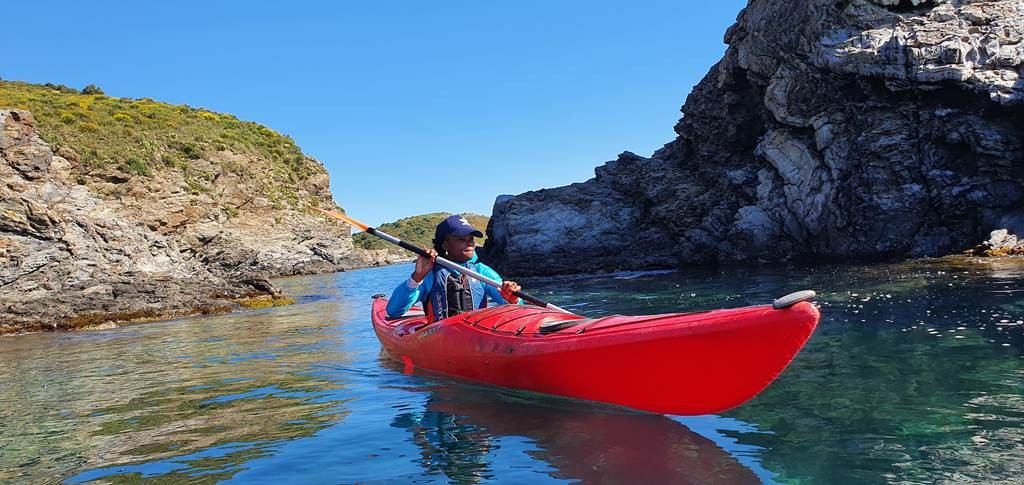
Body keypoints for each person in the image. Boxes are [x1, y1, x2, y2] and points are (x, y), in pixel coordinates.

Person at [386, 215, 522, 321]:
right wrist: (417, 277)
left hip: (475, 336)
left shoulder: (481, 271)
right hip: (440, 338)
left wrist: (512, 299)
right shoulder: (430, 274)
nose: (470, 243)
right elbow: (393, 311)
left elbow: (517, 309)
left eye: (471, 239)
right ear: (445, 244)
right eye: (462, 239)